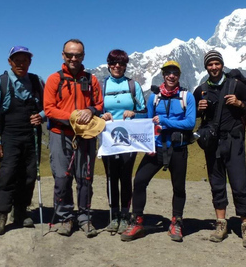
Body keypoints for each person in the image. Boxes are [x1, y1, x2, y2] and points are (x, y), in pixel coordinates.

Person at [121, 60, 196, 242]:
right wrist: (149, 143)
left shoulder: (187, 96)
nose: (171, 75)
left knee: (178, 187)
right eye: (168, 72)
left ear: (179, 75)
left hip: (178, 149)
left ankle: (176, 222)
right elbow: (148, 123)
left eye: (175, 72)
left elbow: (190, 123)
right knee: (139, 181)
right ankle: (137, 221)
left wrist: (165, 122)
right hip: (156, 148)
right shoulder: (154, 98)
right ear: (163, 75)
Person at [193, 50, 246, 248]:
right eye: (210, 64)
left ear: (222, 65)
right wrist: (199, 109)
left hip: (234, 141)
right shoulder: (201, 89)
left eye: (217, 64)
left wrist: (240, 103)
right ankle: (221, 224)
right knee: (217, 184)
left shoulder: (235, 85)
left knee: (239, 184)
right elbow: (193, 115)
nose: (214, 67)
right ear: (206, 67)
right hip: (212, 143)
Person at [44, 39, 103, 238]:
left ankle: (85, 218)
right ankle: (65, 218)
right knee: (62, 178)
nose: (73, 58)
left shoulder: (91, 79)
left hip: (86, 136)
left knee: (85, 178)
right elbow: (49, 108)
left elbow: (99, 104)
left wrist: (90, 109)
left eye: (77, 55)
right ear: (63, 55)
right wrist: (72, 118)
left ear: (83, 56)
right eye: (69, 55)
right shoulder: (54, 80)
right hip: (61, 135)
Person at [0, 46, 45, 235]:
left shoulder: (36, 82)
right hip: (9, 136)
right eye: (16, 60)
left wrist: (41, 115)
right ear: (10, 62)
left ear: (30, 62)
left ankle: (20, 211)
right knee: (8, 173)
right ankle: (0, 213)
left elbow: (47, 107)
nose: (21, 63)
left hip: (32, 136)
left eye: (25, 60)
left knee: (28, 175)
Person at [100, 49, 147, 234]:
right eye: (113, 63)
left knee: (126, 176)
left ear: (126, 65)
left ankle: (125, 215)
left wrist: (134, 113)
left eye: (121, 63)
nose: (117, 66)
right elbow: (94, 109)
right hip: (107, 137)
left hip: (129, 140)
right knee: (111, 176)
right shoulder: (102, 85)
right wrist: (100, 115)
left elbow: (145, 111)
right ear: (109, 65)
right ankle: (114, 216)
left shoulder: (133, 85)